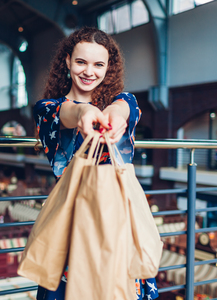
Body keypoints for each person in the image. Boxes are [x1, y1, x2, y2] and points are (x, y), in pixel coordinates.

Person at [33, 27, 158, 300]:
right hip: (73, 225)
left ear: (108, 67)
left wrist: (113, 114)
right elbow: (66, 113)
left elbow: (125, 106)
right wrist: (83, 111)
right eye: (81, 62)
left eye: (98, 64)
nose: (89, 72)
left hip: (118, 224)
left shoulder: (121, 102)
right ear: (67, 61)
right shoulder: (47, 108)